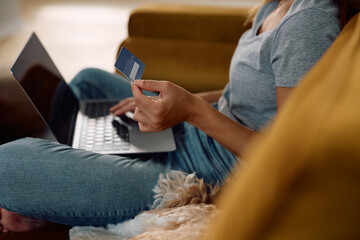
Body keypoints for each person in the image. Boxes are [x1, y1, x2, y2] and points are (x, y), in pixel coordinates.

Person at [0, 0, 358, 233]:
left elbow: (287, 158)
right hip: (200, 132)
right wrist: (194, 99)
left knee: (8, 162)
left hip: (207, 174)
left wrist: (191, 110)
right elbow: (251, 93)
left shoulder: (308, 24)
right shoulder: (277, 5)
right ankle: (79, 170)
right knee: (88, 81)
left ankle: (65, 186)